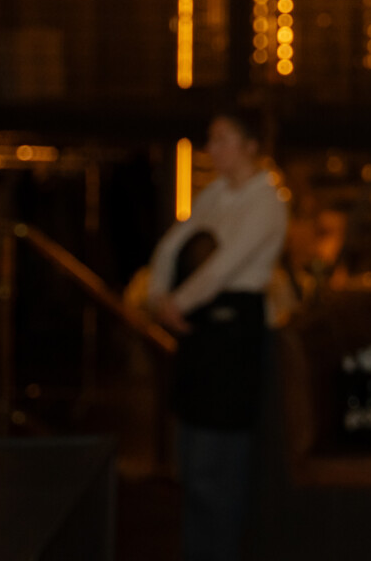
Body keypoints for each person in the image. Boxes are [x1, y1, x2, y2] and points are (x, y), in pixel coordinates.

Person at [147, 112, 288, 561]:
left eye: (222, 139)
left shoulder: (267, 201)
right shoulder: (214, 194)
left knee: (217, 471)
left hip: (233, 335)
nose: (212, 149)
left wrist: (177, 303)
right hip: (201, 334)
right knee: (192, 468)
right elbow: (172, 245)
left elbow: (223, 267)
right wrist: (157, 294)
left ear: (250, 146)